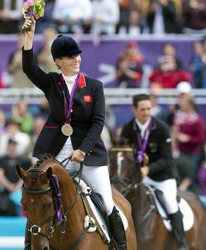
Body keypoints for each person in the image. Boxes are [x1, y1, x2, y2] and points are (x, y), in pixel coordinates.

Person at [22, 15, 126, 250]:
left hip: (88, 156)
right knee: (37, 199)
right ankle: (30, 246)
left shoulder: (94, 86)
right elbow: (29, 68)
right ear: (58, 61)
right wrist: (28, 38)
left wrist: (83, 150)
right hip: (54, 154)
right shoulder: (50, 82)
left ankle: (120, 247)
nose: (77, 59)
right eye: (70, 57)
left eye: (77, 55)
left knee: (108, 205)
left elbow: (98, 122)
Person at [119, 94, 188, 250]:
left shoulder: (161, 128)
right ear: (134, 110)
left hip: (163, 178)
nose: (146, 113)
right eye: (142, 109)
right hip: (140, 178)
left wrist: (148, 168)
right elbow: (123, 152)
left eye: (149, 109)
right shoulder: (128, 128)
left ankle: (182, 243)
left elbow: (168, 159)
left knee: (171, 205)